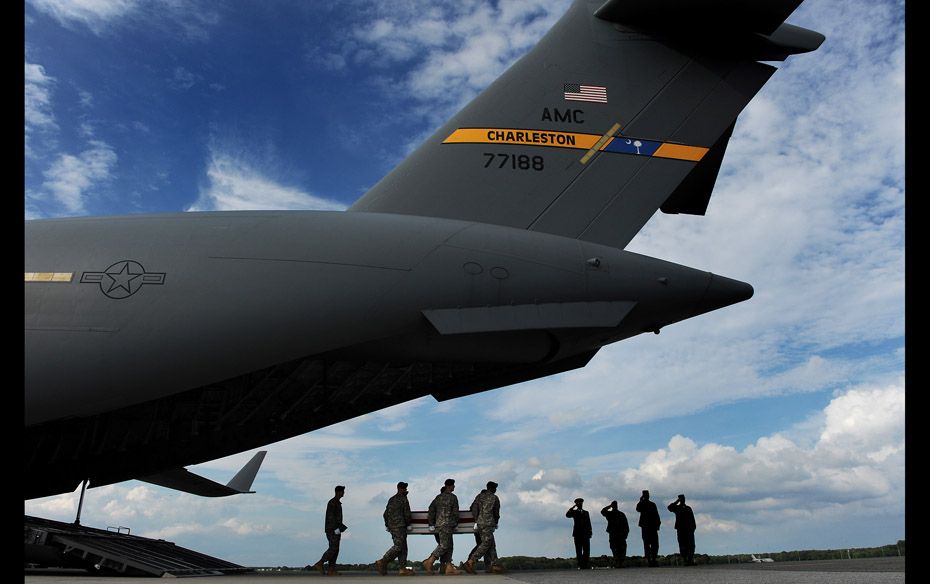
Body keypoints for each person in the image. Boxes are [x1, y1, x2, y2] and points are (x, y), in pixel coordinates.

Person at [422, 479, 461, 575]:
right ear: (450, 486)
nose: (454, 487)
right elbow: (456, 513)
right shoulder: (453, 497)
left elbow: (431, 510)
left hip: (439, 524)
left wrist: (431, 523)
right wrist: (455, 522)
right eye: (453, 485)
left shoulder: (438, 497)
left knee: (450, 546)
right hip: (448, 524)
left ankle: (448, 567)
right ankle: (429, 561)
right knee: (444, 545)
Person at [463, 481, 504, 574]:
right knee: (486, 543)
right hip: (488, 524)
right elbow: (496, 512)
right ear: (493, 489)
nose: (495, 490)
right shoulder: (494, 498)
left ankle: (495, 564)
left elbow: (473, 508)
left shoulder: (479, 496)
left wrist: (477, 519)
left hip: (479, 523)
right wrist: (496, 522)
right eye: (495, 488)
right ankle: (471, 561)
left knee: (491, 544)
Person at [376, 482, 415, 576]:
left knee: (403, 547)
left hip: (392, 526)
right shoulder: (403, 499)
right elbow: (407, 513)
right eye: (404, 488)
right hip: (400, 525)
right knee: (399, 546)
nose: (405, 489)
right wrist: (408, 523)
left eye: (405, 488)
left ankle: (402, 569)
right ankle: (383, 561)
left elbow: (385, 514)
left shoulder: (391, 499)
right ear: (400, 488)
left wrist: (387, 524)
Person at [311, 485, 348, 576]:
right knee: (333, 548)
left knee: (336, 549)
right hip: (333, 530)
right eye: (342, 491)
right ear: (338, 492)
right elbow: (331, 517)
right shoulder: (332, 502)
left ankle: (331, 570)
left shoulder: (337, 503)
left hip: (336, 529)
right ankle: (320, 563)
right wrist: (335, 529)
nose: (343, 493)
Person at [667, 494, 696, 566]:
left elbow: (692, 518)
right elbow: (670, 508)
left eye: (683, 498)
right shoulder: (677, 508)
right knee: (683, 545)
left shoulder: (688, 508)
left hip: (689, 529)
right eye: (681, 498)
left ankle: (690, 560)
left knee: (691, 545)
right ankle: (685, 560)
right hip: (681, 530)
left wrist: (693, 527)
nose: (683, 499)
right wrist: (677, 501)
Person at [600, 500, 629, 568]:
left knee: (621, 549)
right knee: (614, 548)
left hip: (620, 534)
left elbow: (626, 526)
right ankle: (618, 562)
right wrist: (609, 506)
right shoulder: (610, 514)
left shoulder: (621, 514)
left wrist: (625, 534)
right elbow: (602, 511)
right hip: (613, 534)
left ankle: (620, 562)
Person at [565, 498, 592, 569]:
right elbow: (567, 515)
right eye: (578, 503)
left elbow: (589, 523)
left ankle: (585, 564)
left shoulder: (586, 512)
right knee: (579, 550)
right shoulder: (574, 512)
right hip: (577, 534)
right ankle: (581, 565)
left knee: (587, 550)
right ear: (576, 504)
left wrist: (590, 531)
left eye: (581, 503)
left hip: (586, 534)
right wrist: (571, 508)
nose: (580, 504)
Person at [636, 489, 661, 567]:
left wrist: (658, 524)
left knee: (654, 544)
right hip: (646, 527)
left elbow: (656, 515)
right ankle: (650, 560)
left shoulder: (652, 504)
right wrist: (640, 501)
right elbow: (638, 509)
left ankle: (653, 559)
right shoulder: (642, 504)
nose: (647, 496)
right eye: (646, 495)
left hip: (652, 527)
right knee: (647, 544)